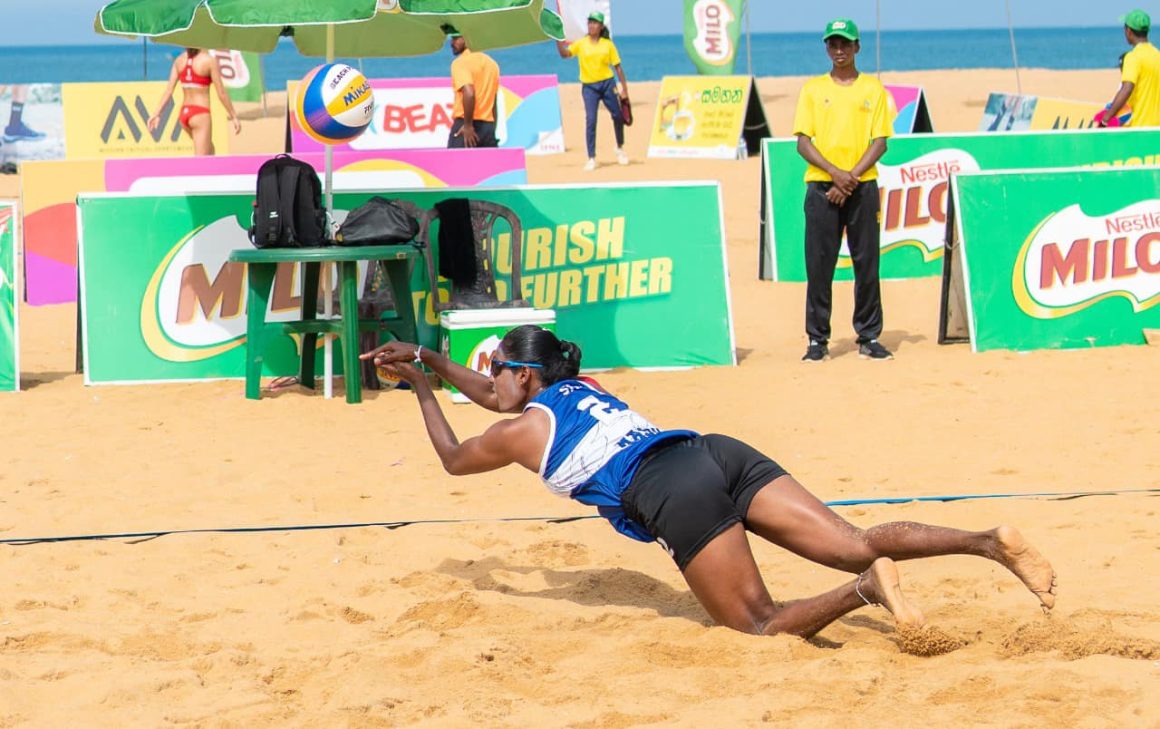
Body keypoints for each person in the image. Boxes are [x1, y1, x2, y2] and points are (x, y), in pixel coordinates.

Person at [360, 326, 1057, 639]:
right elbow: (492, 391)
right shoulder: (584, 387)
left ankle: (866, 588)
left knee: (755, 623)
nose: (489, 378)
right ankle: (990, 541)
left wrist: (420, 384)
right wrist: (425, 353)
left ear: (526, 375)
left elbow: (456, 455)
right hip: (713, 450)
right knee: (856, 537)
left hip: (671, 490)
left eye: (499, 367)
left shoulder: (521, 430)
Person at [793, 19, 893, 363]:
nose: (839, 51)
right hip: (823, 187)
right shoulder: (812, 89)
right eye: (833, 45)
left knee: (867, 263)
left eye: (845, 44)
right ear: (827, 48)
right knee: (820, 266)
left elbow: (880, 142)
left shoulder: (873, 89)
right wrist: (835, 175)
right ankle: (817, 340)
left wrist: (849, 178)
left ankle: (868, 335)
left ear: (857, 47)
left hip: (862, 185)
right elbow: (803, 143)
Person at [556, 11, 630, 171]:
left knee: (617, 116)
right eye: (589, 22)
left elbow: (618, 67)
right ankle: (591, 157)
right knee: (591, 121)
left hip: (607, 84)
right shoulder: (581, 43)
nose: (591, 25)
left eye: (595, 22)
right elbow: (565, 54)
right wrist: (558, 39)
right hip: (589, 87)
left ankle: (620, 148)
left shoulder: (608, 44)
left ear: (601, 26)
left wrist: (624, 89)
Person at [148, 48, 241, 156]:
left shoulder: (179, 61)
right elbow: (221, 93)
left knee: (210, 149)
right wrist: (233, 116)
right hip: (200, 113)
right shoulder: (208, 61)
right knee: (202, 160)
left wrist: (157, 113)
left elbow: (169, 91)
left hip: (184, 114)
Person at [1100, 9, 1160, 128]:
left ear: (1128, 31)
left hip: (1138, 128)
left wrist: (1106, 119)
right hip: (1156, 130)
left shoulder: (1133, 57)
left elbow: (1126, 89)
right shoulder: (1157, 55)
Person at [445, 28, 501, 148]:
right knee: (488, 167)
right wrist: (492, 130)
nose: (451, 43)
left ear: (467, 39)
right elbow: (493, 102)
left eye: (455, 38)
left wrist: (468, 126)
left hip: (466, 124)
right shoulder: (492, 64)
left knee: (455, 165)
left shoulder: (460, 62)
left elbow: (469, 93)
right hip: (488, 127)